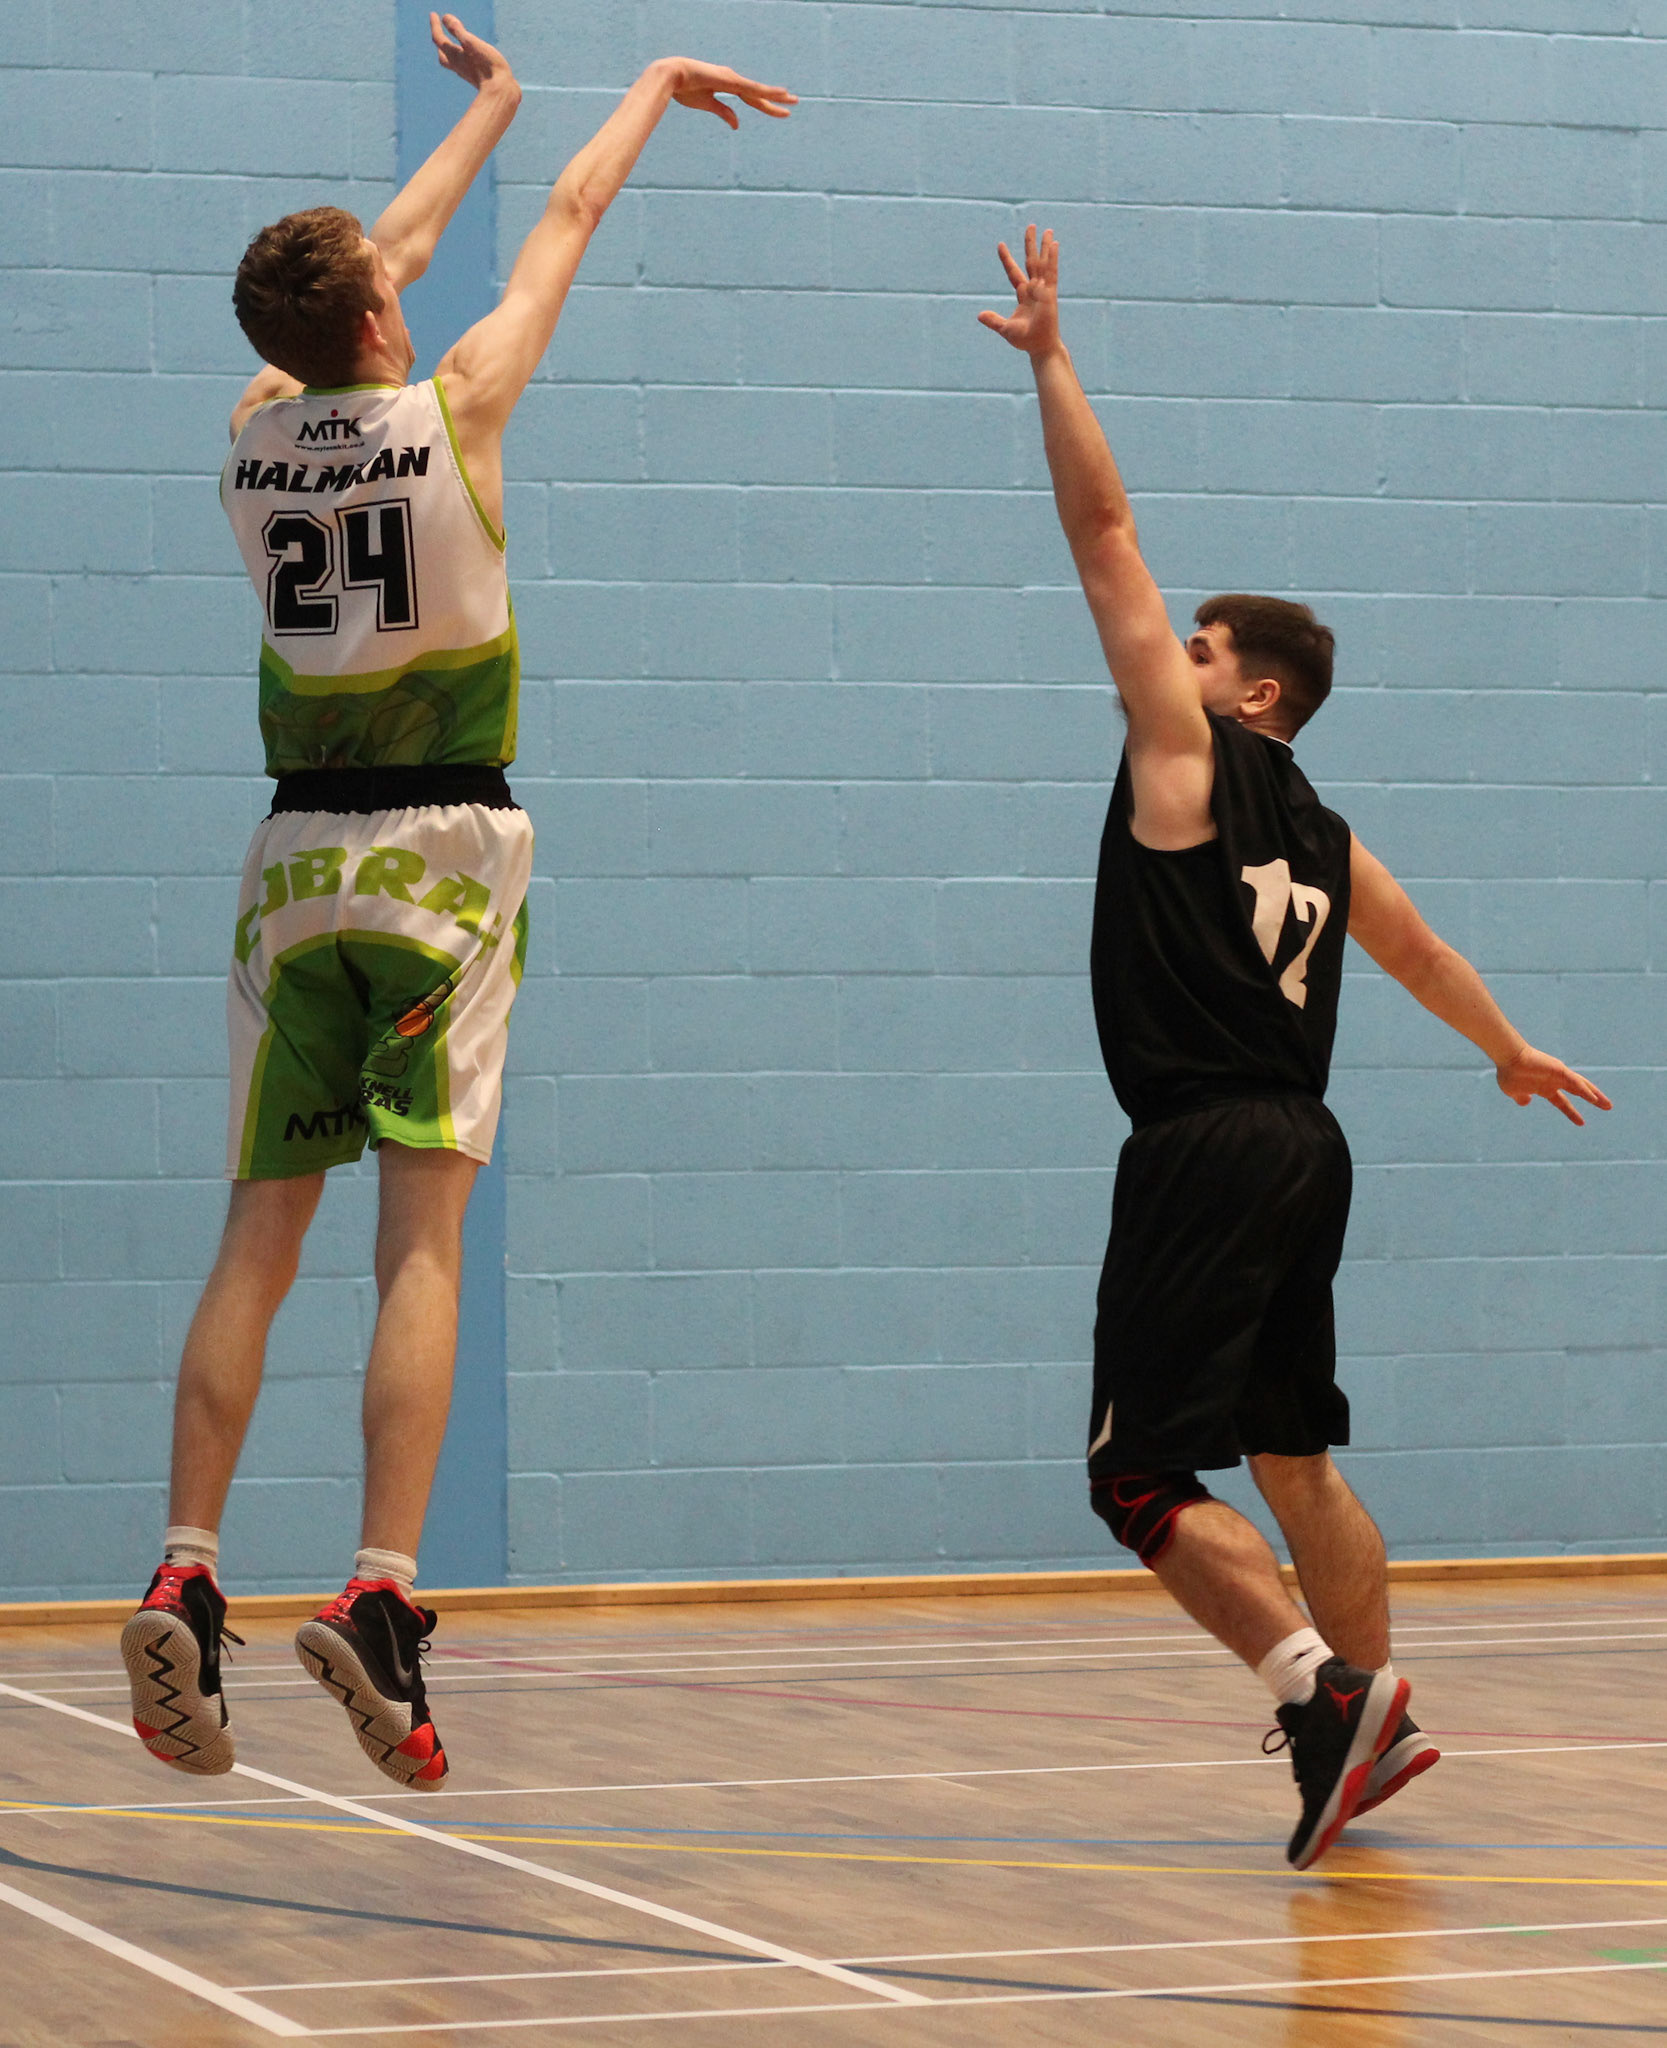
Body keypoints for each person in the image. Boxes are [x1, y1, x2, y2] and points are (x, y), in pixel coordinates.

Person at [121, 13, 795, 1791]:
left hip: (291, 867)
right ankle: (380, 1589)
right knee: (419, 1238)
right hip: (444, 857)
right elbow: (568, 215)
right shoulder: (459, 404)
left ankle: (184, 1564)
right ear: (380, 318)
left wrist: (485, 102)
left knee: (256, 1237)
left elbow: (381, 259)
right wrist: (633, 92)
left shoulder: (254, 428)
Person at [980, 226, 1611, 1870]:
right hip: (1306, 1146)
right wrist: (1508, 1048)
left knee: (1135, 1476)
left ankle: (1325, 1700)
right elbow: (1418, 951)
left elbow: (1103, 534)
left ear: (1252, 695)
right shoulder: (1325, 832)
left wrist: (1053, 361)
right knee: (1295, 1457)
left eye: (1198, 650)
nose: (1169, 658)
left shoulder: (1186, 760)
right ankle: (1373, 1717)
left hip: (1201, 1142)